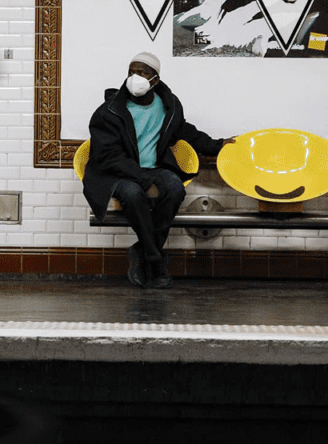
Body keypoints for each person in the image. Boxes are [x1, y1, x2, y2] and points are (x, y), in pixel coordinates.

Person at [83, 53, 228, 289]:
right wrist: (142, 178)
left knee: (174, 188)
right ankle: (155, 261)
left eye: (142, 72)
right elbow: (109, 156)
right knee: (133, 194)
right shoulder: (108, 111)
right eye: (131, 71)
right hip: (117, 173)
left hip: (155, 168)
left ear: (156, 79)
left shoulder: (167, 105)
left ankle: (141, 250)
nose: (135, 77)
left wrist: (217, 144)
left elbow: (185, 131)